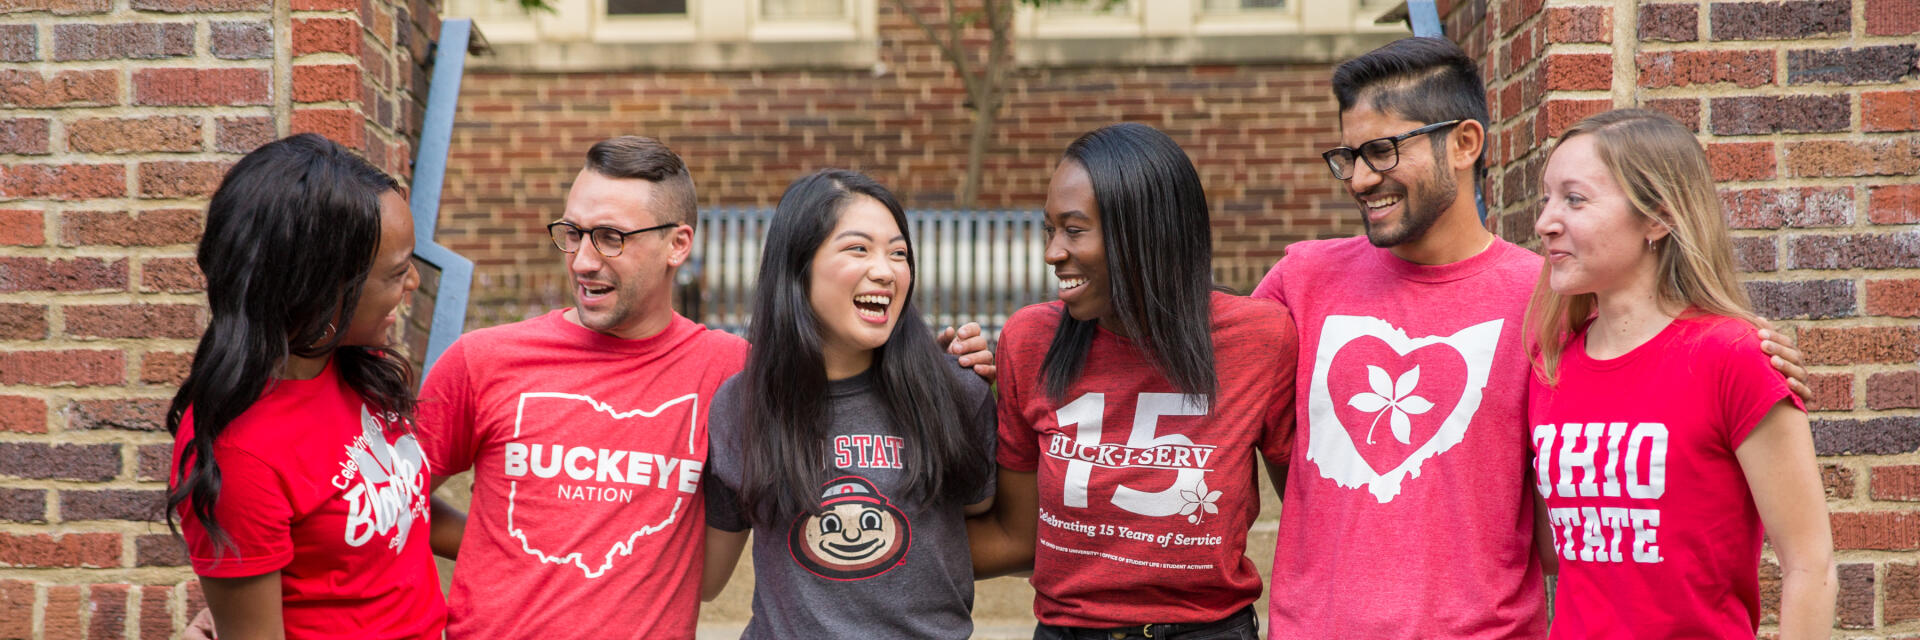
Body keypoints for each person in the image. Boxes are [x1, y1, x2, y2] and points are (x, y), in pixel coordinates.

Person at [1255, 37, 1810, 639]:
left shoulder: (1554, 299)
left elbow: (1641, 371)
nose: (1361, 178)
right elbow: (1225, 397)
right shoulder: (1300, 279)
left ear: (1465, 143)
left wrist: (1749, 357)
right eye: (1349, 155)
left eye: (1383, 151)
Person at [412, 136, 995, 639]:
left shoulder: (735, 375)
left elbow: (847, 375)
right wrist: (503, 552)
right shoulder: (483, 360)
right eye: (573, 233)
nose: (584, 260)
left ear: (678, 246)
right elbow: (388, 500)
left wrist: (941, 368)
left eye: (611, 237)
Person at [970, 122, 1297, 640]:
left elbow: (1309, 517)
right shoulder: (1030, 340)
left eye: (1074, 230)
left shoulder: (1259, 339)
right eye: (1049, 230)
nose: (1053, 252)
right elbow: (1017, 536)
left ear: (1147, 232)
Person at [1525, 108, 1835, 638]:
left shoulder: (1731, 356)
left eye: (1574, 199)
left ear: (1657, 218)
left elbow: (1810, 564)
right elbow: (1557, 551)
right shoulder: (1550, 364)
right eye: (1547, 199)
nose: (1546, 221)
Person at [700, 169, 998, 638]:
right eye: (858, 248)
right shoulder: (741, 405)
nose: (885, 270)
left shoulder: (957, 392)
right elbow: (704, 579)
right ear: (798, 267)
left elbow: (978, 522)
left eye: (898, 253)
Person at [164, 133, 439, 639]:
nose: (413, 284)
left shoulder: (352, 367)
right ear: (322, 287)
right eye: (397, 272)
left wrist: (520, 540)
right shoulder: (241, 456)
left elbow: (403, 506)